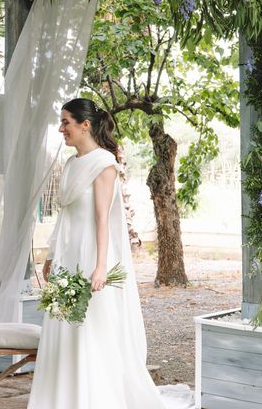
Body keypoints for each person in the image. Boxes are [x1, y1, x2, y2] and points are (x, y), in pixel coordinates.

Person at [28, 98, 167, 408]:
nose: (61, 128)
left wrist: (101, 265)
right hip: (67, 252)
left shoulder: (104, 162)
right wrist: (51, 254)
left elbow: (102, 218)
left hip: (92, 252)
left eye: (66, 122)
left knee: (93, 327)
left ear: (84, 125)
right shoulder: (70, 163)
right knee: (65, 324)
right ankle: (64, 397)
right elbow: (64, 214)